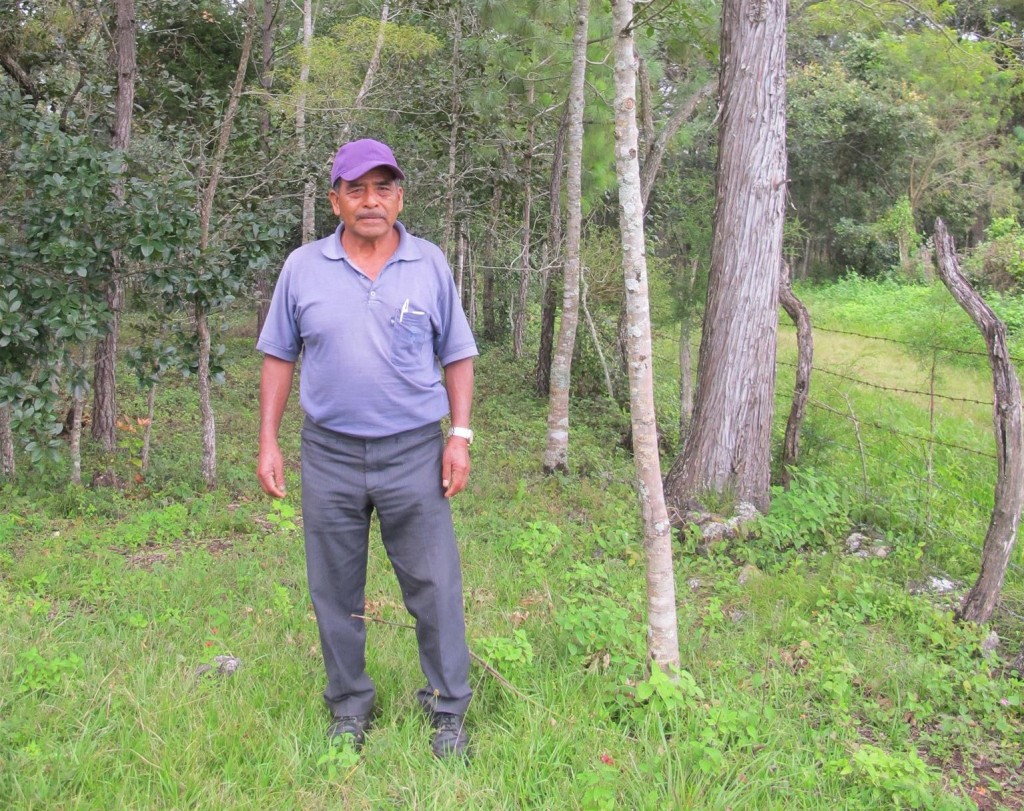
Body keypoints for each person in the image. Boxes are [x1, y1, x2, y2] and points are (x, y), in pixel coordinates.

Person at [255, 138, 477, 760]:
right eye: (357, 189)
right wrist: (268, 440)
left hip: (415, 452)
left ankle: (447, 709)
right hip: (328, 454)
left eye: (383, 188)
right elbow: (279, 354)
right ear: (336, 200)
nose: (371, 201)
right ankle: (349, 706)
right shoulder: (302, 268)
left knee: (434, 585)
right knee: (335, 588)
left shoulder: (429, 263)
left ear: (400, 196)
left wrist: (459, 436)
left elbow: (457, 353)